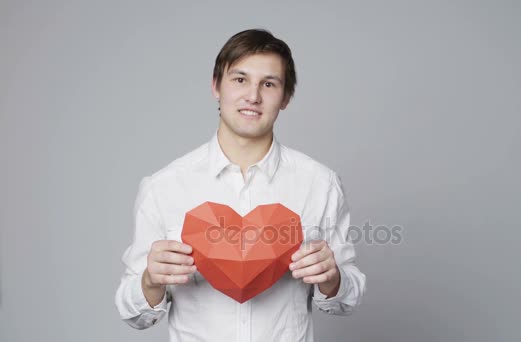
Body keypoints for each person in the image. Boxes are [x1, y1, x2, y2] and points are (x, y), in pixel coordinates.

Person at [115, 29, 366, 342]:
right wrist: (151, 281)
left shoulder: (320, 184)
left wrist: (333, 279)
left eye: (269, 84)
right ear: (216, 86)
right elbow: (133, 314)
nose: (253, 96)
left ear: (286, 97)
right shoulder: (163, 188)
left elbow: (347, 300)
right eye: (240, 79)